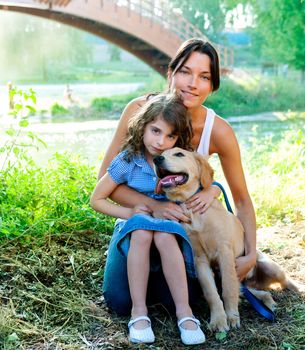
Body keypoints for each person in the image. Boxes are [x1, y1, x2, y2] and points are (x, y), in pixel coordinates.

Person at [98, 38, 256, 282]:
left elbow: (242, 200)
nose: (193, 84)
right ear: (171, 73)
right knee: (119, 299)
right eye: (185, 72)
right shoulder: (140, 111)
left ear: (213, 86)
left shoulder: (218, 131)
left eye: (204, 77)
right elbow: (105, 181)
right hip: (139, 223)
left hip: (184, 229)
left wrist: (251, 254)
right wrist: (154, 206)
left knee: (181, 297)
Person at [91, 93, 205, 345]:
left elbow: (202, 181)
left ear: (178, 138)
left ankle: (185, 313)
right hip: (136, 223)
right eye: (155, 131)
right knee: (142, 232)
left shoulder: (174, 160)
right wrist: (130, 213)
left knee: (164, 235)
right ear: (142, 126)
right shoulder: (128, 160)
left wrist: (215, 189)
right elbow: (96, 199)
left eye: (170, 136)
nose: (161, 141)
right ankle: (139, 312)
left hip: (167, 226)